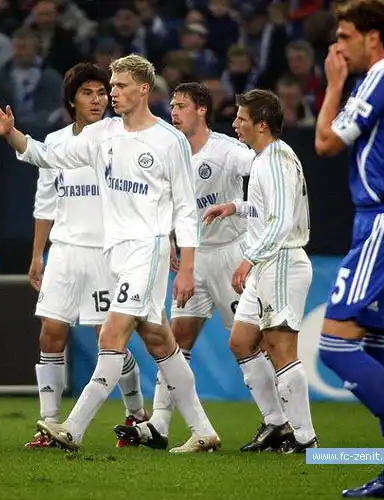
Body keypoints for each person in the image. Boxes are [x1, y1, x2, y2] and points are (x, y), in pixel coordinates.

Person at [0, 53, 219, 452]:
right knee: (159, 341)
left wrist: (188, 267)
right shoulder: (102, 134)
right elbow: (47, 156)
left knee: (110, 335)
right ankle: (204, 431)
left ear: (144, 89)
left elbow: (185, 208)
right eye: (112, 86)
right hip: (116, 253)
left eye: (121, 86)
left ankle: (72, 429)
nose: (113, 93)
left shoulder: (169, 140)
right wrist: (11, 134)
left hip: (148, 249)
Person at [112, 82, 255, 453]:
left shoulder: (227, 150)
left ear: (202, 109)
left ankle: (282, 422)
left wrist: (246, 217)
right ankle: (160, 423)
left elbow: (264, 172)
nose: (173, 112)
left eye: (181, 106)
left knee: (253, 342)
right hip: (193, 258)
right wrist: (174, 240)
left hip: (230, 254)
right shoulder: (169, 151)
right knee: (177, 338)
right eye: (172, 106)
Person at [314, 0, 384, 496]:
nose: (337, 47)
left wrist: (334, 85)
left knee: (335, 346)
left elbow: (326, 143)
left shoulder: (382, 77)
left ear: (372, 38)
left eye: (344, 37)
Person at [25, 62, 148, 449]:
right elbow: (46, 203)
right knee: (50, 334)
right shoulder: (55, 142)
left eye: (101, 93)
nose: (97, 100)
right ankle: (48, 424)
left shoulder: (119, 137)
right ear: (71, 100)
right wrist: (37, 256)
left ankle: (135, 413)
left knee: (108, 339)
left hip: (106, 253)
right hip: (64, 251)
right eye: (87, 93)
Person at [204, 89, 317, 454]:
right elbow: (267, 208)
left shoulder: (276, 160)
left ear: (262, 124)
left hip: (280, 261)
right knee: (241, 341)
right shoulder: (265, 158)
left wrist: (249, 257)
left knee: (281, 349)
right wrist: (236, 207)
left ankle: (306, 439)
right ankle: (276, 423)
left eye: (242, 118)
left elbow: (280, 221)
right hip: (267, 262)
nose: (235, 124)